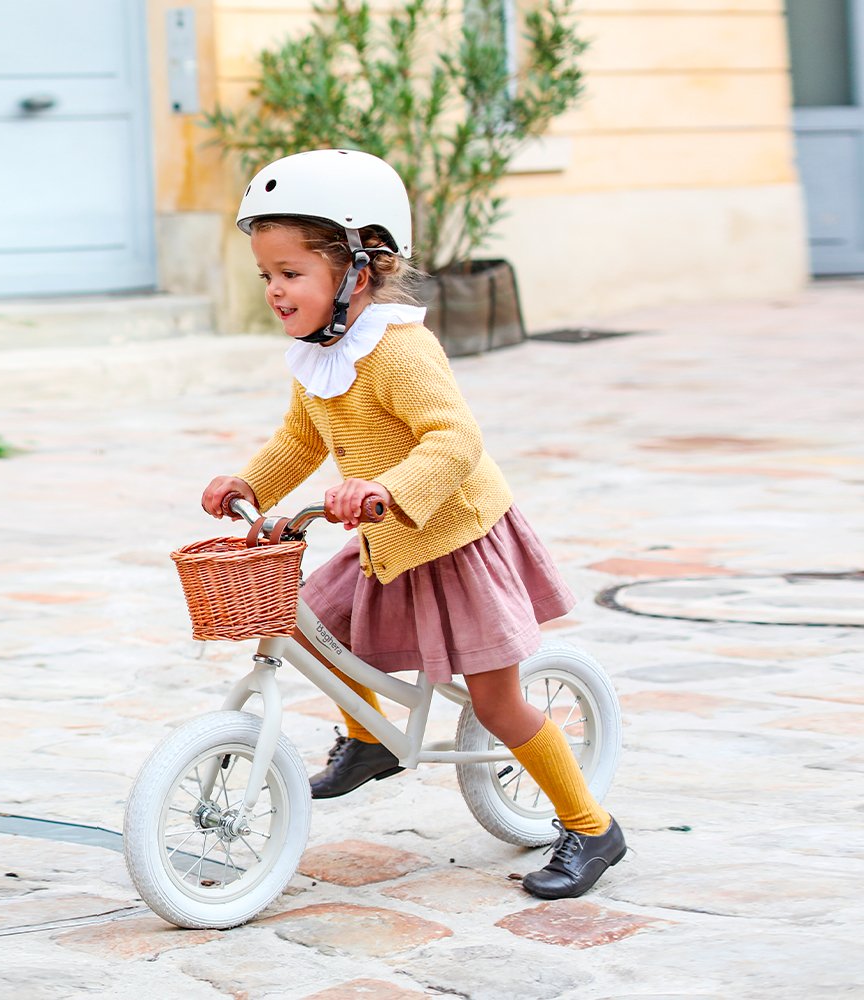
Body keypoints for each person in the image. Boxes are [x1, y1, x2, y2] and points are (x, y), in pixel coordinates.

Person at [201, 148, 626, 900]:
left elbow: (455, 440)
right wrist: (249, 483)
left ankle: (591, 827)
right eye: (266, 274)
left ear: (358, 272)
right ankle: (370, 743)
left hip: (454, 539)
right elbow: (301, 441)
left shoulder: (399, 351)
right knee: (307, 626)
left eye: (291, 273)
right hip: (387, 539)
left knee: (497, 701)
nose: (274, 290)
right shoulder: (321, 353)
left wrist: (387, 489)